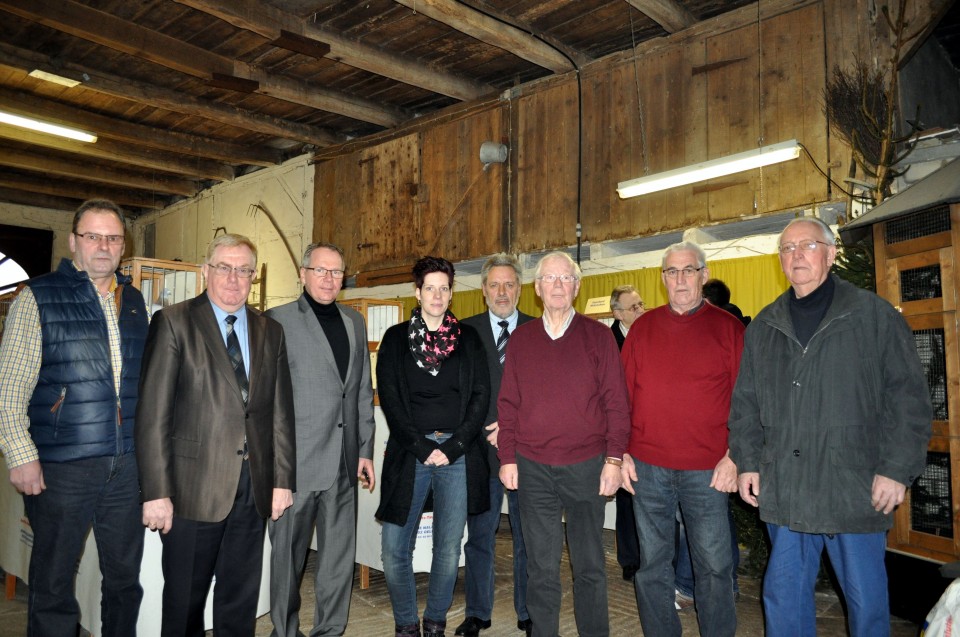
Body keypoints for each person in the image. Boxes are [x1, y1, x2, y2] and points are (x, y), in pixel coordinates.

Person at [729, 217, 932, 637]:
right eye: (787, 248)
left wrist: (897, 469)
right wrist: (748, 462)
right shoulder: (765, 326)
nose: (796, 255)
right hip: (787, 485)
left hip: (853, 486)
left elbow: (908, 399)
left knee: (867, 603)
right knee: (784, 598)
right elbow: (745, 403)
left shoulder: (872, 316)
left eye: (808, 245)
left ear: (831, 253)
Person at [136, 233, 297, 637]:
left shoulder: (270, 331)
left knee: (239, 599)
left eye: (243, 270)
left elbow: (280, 413)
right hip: (192, 488)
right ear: (206, 270)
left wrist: (281, 481)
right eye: (224, 267)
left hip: (252, 488)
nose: (233, 278)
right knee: (184, 602)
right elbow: (153, 414)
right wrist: (156, 491)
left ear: (252, 278)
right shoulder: (174, 322)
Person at [0, 199, 148, 637]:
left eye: (113, 237)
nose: (104, 246)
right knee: (54, 583)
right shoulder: (38, 297)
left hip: (126, 466)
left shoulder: (135, 301)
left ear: (124, 244)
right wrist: (20, 454)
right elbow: (9, 387)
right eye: (93, 236)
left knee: (124, 581)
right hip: (63, 466)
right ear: (73, 242)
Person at [498, 251, 631, 637]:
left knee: (589, 565)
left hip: (587, 466)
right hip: (533, 468)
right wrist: (508, 457)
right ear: (537, 289)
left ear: (576, 286)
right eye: (549, 279)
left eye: (565, 278)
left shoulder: (599, 337)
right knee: (540, 567)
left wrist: (614, 459)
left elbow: (616, 404)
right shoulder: (521, 339)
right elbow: (507, 405)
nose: (557, 285)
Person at [620, 241, 743, 637]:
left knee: (713, 568)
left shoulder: (728, 329)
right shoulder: (642, 329)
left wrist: (735, 456)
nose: (680, 279)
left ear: (704, 276)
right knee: (652, 567)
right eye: (672, 272)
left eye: (689, 270)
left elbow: (749, 402)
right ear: (662, 279)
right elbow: (621, 398)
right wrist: (620, 453)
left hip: (707, 472)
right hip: (648, 469)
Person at [376, 256, 491, 637]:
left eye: (444, 288)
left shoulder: (469, 339)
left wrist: (455, 445)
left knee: (447, 547)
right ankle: (407, 623)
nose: (438, 295)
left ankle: (435, 622)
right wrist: (423, 448)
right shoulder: (395, 339)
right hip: (410, 453)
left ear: (452, 293)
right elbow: (390, 398)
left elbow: (480, 395)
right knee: (394, 548)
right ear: (417, 292)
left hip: (458, 453)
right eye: (430, 287)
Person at [265, 242, 376, 637]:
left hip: (345, 465)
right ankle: (285, 630)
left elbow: (361, 390)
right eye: (321, 270)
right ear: (303, 273)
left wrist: (365, 451)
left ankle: (330, 630)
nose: (329, 279)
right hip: (296, 467)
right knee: (288, 562)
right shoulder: (275, 321)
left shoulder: (354, 322)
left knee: (337, 561)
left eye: (336, 272)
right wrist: (276, 467)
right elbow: (267, 400)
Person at [457, 254, 535, 637]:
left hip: (527, 453)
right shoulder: (464, 332)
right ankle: (477, 612)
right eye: (494, 285)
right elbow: (458, 394)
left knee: (527, 539)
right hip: (480, 454)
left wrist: (512, 426)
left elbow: (546, 393)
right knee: (480, 538)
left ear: (520, 289)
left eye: (509, 284)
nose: (502, 292)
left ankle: (528, 610)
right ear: (483, 289)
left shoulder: (540, 331)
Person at [608, 284, 644, 581]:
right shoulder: (607, 341)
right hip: (620, 430)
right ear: (617, 313)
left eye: (642, 304)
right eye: (634, 307)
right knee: (627, 498)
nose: (641, 310)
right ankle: (630, 560)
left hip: (649, 430)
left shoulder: (652, 334)